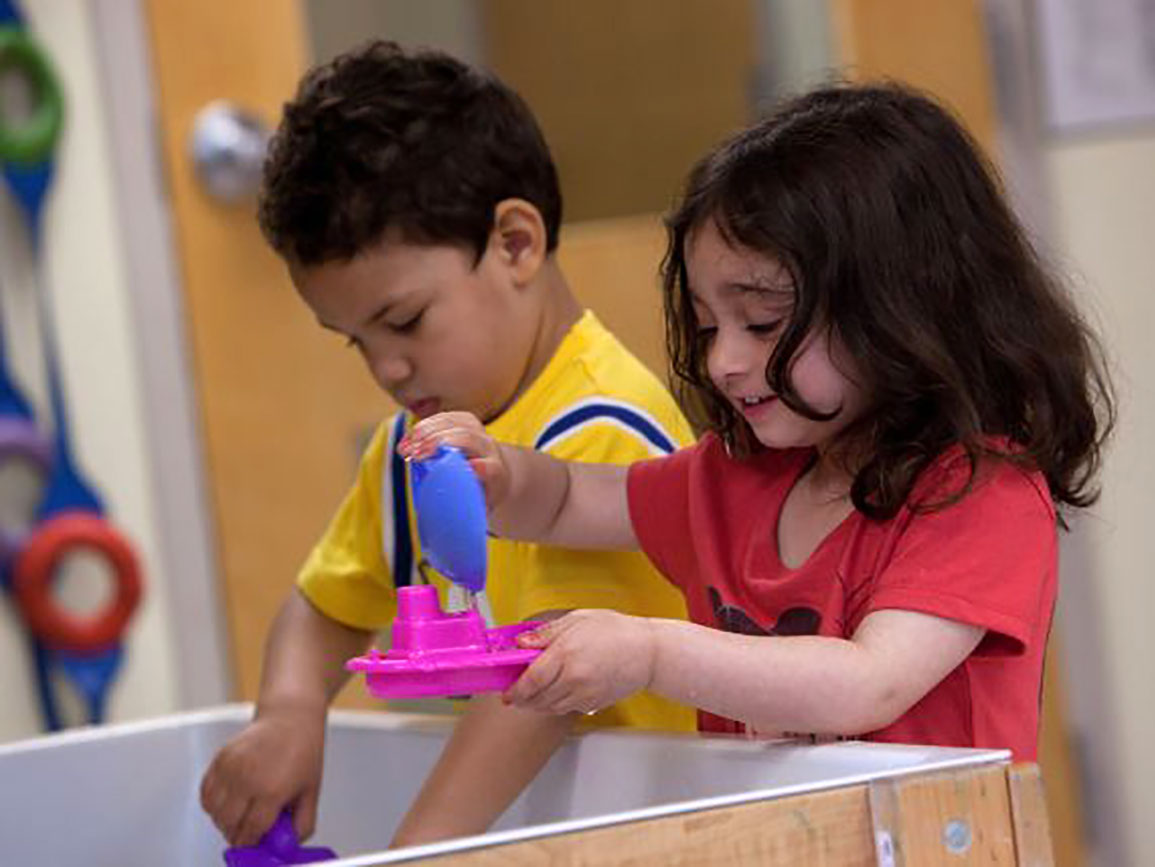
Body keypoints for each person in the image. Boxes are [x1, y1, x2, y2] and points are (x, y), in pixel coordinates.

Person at [401, 83, 1115, 761]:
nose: (723, 362)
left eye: (763, 322)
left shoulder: (978, 494)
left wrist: (650, 652)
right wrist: (495, 476)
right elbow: (566, 501)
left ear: (904, 307)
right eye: (709, 326)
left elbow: (868, 683)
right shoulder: (734, 477)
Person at [199, 40, 695, 848]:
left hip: (676, 824)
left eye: (403, 322)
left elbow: (542, 688)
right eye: (352, 341)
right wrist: (289, 713)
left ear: (514, 245)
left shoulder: (602, 429)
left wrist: (416, 850)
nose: (387, 367)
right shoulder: (412, 450)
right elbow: (321, 604)